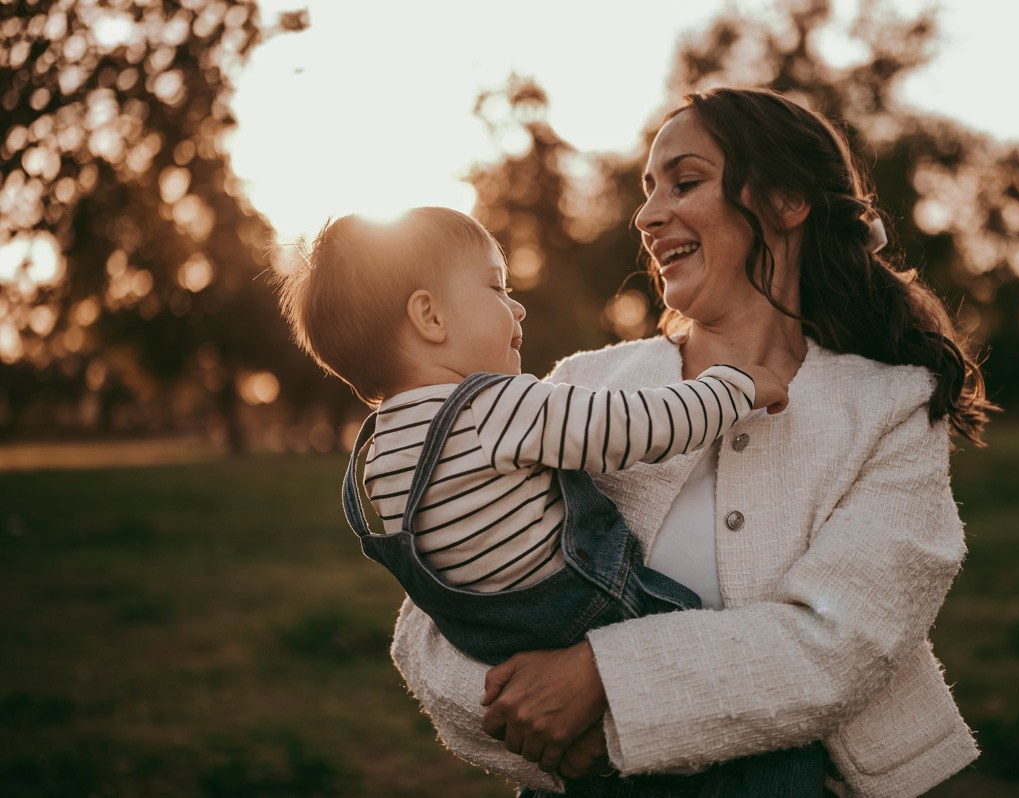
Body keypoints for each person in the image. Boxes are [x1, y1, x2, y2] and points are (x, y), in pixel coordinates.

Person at [390, 86, 996, 798]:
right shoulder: (584, 385)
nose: (646, 216)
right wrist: (549, 731)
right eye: (648, 192)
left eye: (686, 181)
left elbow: (842, 644)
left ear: (788, 202)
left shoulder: (891, 406)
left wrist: (603, 680)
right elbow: (429, 629)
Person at [275, 208, 827, 795]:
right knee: (776, 750)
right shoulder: (493, 405)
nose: (517, 307)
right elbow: (631, 426)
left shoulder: (375, 461)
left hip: (512, 667)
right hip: (602, 613)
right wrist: (730, 386)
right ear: (429, 316)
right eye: (496, 287)